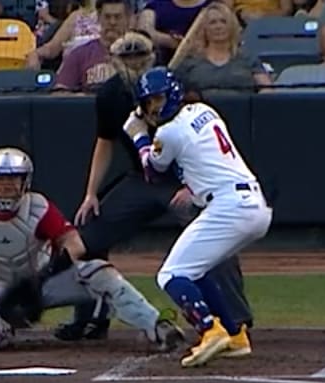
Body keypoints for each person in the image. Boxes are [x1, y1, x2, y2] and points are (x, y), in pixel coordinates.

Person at [56, 29, 254, 343]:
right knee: (89, 230)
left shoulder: (178, 86)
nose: (133, 61)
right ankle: (90, 317)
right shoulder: (110, 95)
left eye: (139, 55)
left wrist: (192, 186)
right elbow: (104, 142)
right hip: (143, 178)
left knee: (215, 237)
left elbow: (205, 146)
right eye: (127, 56)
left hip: (185, 179)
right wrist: (91, 193)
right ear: (114, 60)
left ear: (151, 57)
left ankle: (236, 319)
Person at [0, 146, 186, 352]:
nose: (7, 185)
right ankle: (9, 324)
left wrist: (41, 278)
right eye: (0, 179)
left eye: (14, 179)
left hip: (47, 282)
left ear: (25, 181)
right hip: (5, 287)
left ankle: (156, 326)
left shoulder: (38, 209)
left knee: (97, 271)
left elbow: (74, 244)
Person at [123, 67, 272, 367]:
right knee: (197, 270)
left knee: (170, 275)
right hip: (252, 204)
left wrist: (138, 135)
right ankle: (234, 334)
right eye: (149, 102)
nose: (154, 107)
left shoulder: (168, 133)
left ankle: (209, 329)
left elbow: (153, 171)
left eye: (157, 99)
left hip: (229, 207)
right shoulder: (204, 110)